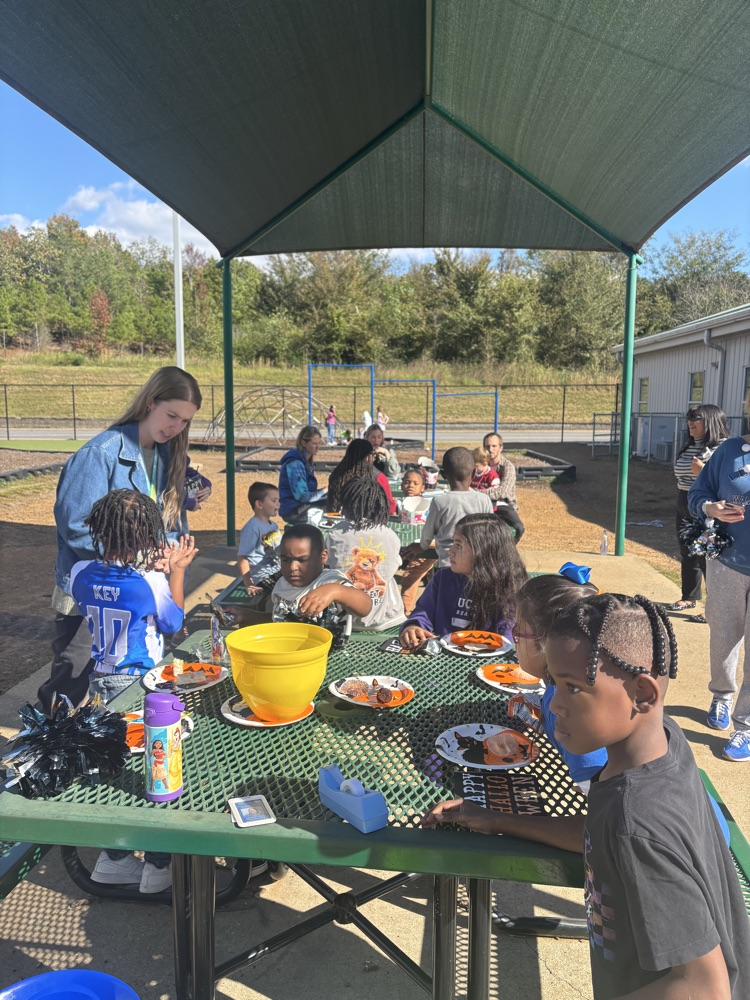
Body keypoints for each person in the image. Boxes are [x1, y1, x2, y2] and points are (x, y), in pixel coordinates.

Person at [424, 593, 750, 999]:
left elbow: (705, 987)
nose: (556, 704)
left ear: (643, 694)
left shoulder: (637, 823)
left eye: (574, 688)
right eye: (554, 684)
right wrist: (498, 820)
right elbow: (598, 832)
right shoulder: (660, 745)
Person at [41, 366, 203, 715]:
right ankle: (50, 752)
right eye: (171, 415)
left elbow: (169, 527)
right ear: (149, 402)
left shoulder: (167, 455)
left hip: (141, 598)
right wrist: (145, 557)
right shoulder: (100, 452)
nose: (175, 427)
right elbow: (75, 526)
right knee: (71, 681)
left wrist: (171, 562)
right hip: (96, 595)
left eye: (185, 421)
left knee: (126, 695)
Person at [69, 488, 198, 894]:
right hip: (141, 683)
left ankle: (115, 857)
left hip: (100, 683)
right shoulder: (149, 581)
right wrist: (175, 570)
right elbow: (173, 621)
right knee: (157, 767)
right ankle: (157, 866)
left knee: (113, 769)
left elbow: (95, 593)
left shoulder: (79, 573)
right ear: (146, 536)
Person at [505, 566, 608, 792]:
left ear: (546, 643)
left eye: (519, 630)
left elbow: (598, 792)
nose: (515, 638)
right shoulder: (567, 687)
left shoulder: (568, 708)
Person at [688, 396, 750, 759]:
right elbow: (699, 492)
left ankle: (746, 726)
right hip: (727, 563)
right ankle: (722, 697)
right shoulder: (728, 451)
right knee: (723, 636)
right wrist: (709, 507)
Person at [400, 513, 525, 647]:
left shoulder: (508, 588)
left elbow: (508, 641)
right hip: (441, 660)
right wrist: (413, 627)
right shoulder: (442, 579)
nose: (450, 551)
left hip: (487, 662)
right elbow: (423, 614)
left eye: (458, 545)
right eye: (453, 542)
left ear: (482, 551)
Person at [400, 447, 493, 614]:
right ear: (473, 472)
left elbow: (428, 533)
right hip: (478, 567)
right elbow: (490, 532)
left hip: (448, 567)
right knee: (471, 610)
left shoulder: (440, 502)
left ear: (443, 475)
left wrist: (421, 546)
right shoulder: (484, 500)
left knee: (446, 610)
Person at [666, 404, 729, 616]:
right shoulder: (690, 445)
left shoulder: (724, 447)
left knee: (708, 555)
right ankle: (689, 597)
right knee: (687, 552)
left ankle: (714, 607)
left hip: (708, 505)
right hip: (684, 501)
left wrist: (702, 472)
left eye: (696, 418)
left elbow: (728, 482)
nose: (690, 422)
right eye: (688, 418)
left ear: (711, 420)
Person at [326, 478, 406, 631]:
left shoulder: (336, 533)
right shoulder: (390, 535)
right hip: (384, 617)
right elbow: (394, 566)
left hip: (344, 617)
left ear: (346, 504)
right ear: (380, 505)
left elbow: (330, 564)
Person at [271, 523, 372, 624]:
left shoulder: (329, 579)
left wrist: (335, 591)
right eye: (286, 560)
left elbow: (366, 607)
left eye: (302, 560)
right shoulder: (282, 583)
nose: (292, 567)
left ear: (323, 557)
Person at [326, 439, 396, 515]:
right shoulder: (377, 477)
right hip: (368, 523)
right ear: (368, 457)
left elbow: (331, 505)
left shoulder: (336, 474)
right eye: (373, 455)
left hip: (335, 519)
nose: (374, 458)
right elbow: (390, 508)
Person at [237, 482, 282, 596]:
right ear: (259, 504)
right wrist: (249, 583)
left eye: (278, 500)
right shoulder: (252, 528)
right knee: (284, 590)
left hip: (276, 570)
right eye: (273, 501)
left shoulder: (274, 526)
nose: (278, 504)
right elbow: (243, 558)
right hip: (261, 576)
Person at [278, 425, 326, 524]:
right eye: (314, 443)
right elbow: (303, 496)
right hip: (293, 510)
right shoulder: (296, 464)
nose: (317, 447)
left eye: (318, 443)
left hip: (297, 507)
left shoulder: (305, 462)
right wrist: (324, 491)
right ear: (304, 443)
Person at [482, 432, 525, 543]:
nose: (490, 449)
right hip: (482, 504)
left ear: (501, 448)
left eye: (494, 446)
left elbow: (502, 492)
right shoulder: (480, 466)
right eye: (487, 446)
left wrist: (478, 492)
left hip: (504, 506)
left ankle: (508, 552)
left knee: (519, 528)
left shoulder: (507, 467)